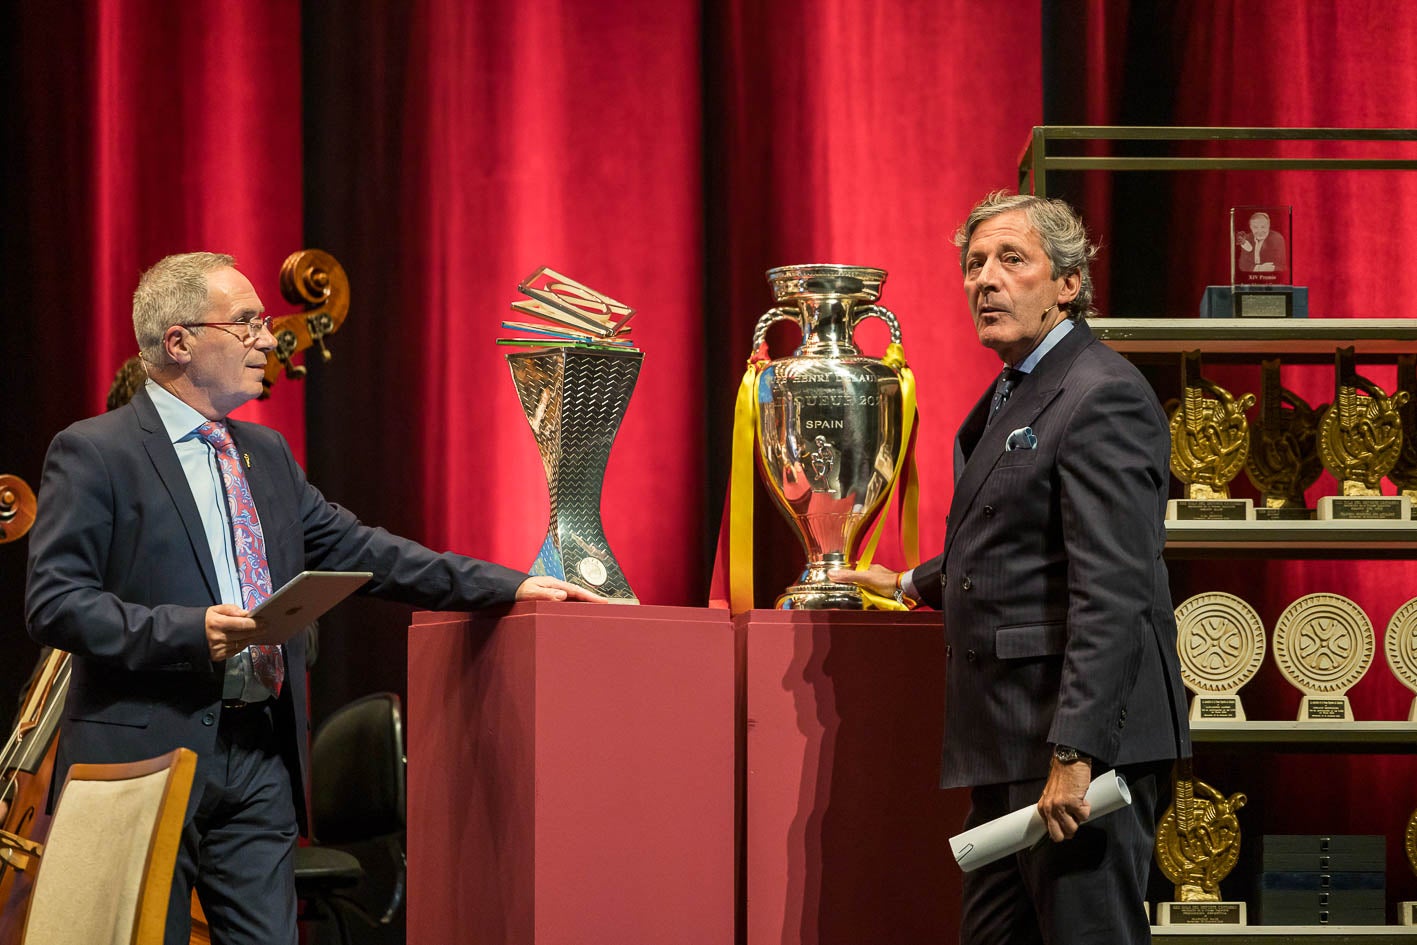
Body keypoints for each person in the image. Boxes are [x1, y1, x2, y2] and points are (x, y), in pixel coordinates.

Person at [25, 252, 604, 945]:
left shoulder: (265, 453)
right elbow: (56, 602)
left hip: (259, 757)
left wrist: (506, 583)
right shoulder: (93, 451)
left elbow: (365, 551)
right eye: (245, 325)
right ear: (178, 341)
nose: (267, 341)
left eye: (266, 325)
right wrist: (188, 629)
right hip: (144, 753)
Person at [831, 192, 1189, 944]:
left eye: (1010, 259)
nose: (984, 280)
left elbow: (1113, 589)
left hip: (1073, 751)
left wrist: (1075, 755)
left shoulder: (1101, 393)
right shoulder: (1016, 390)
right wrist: (907, 583)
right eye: (973, 264)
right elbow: (1018, 532)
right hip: (1010, 743)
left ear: (1067, 283)